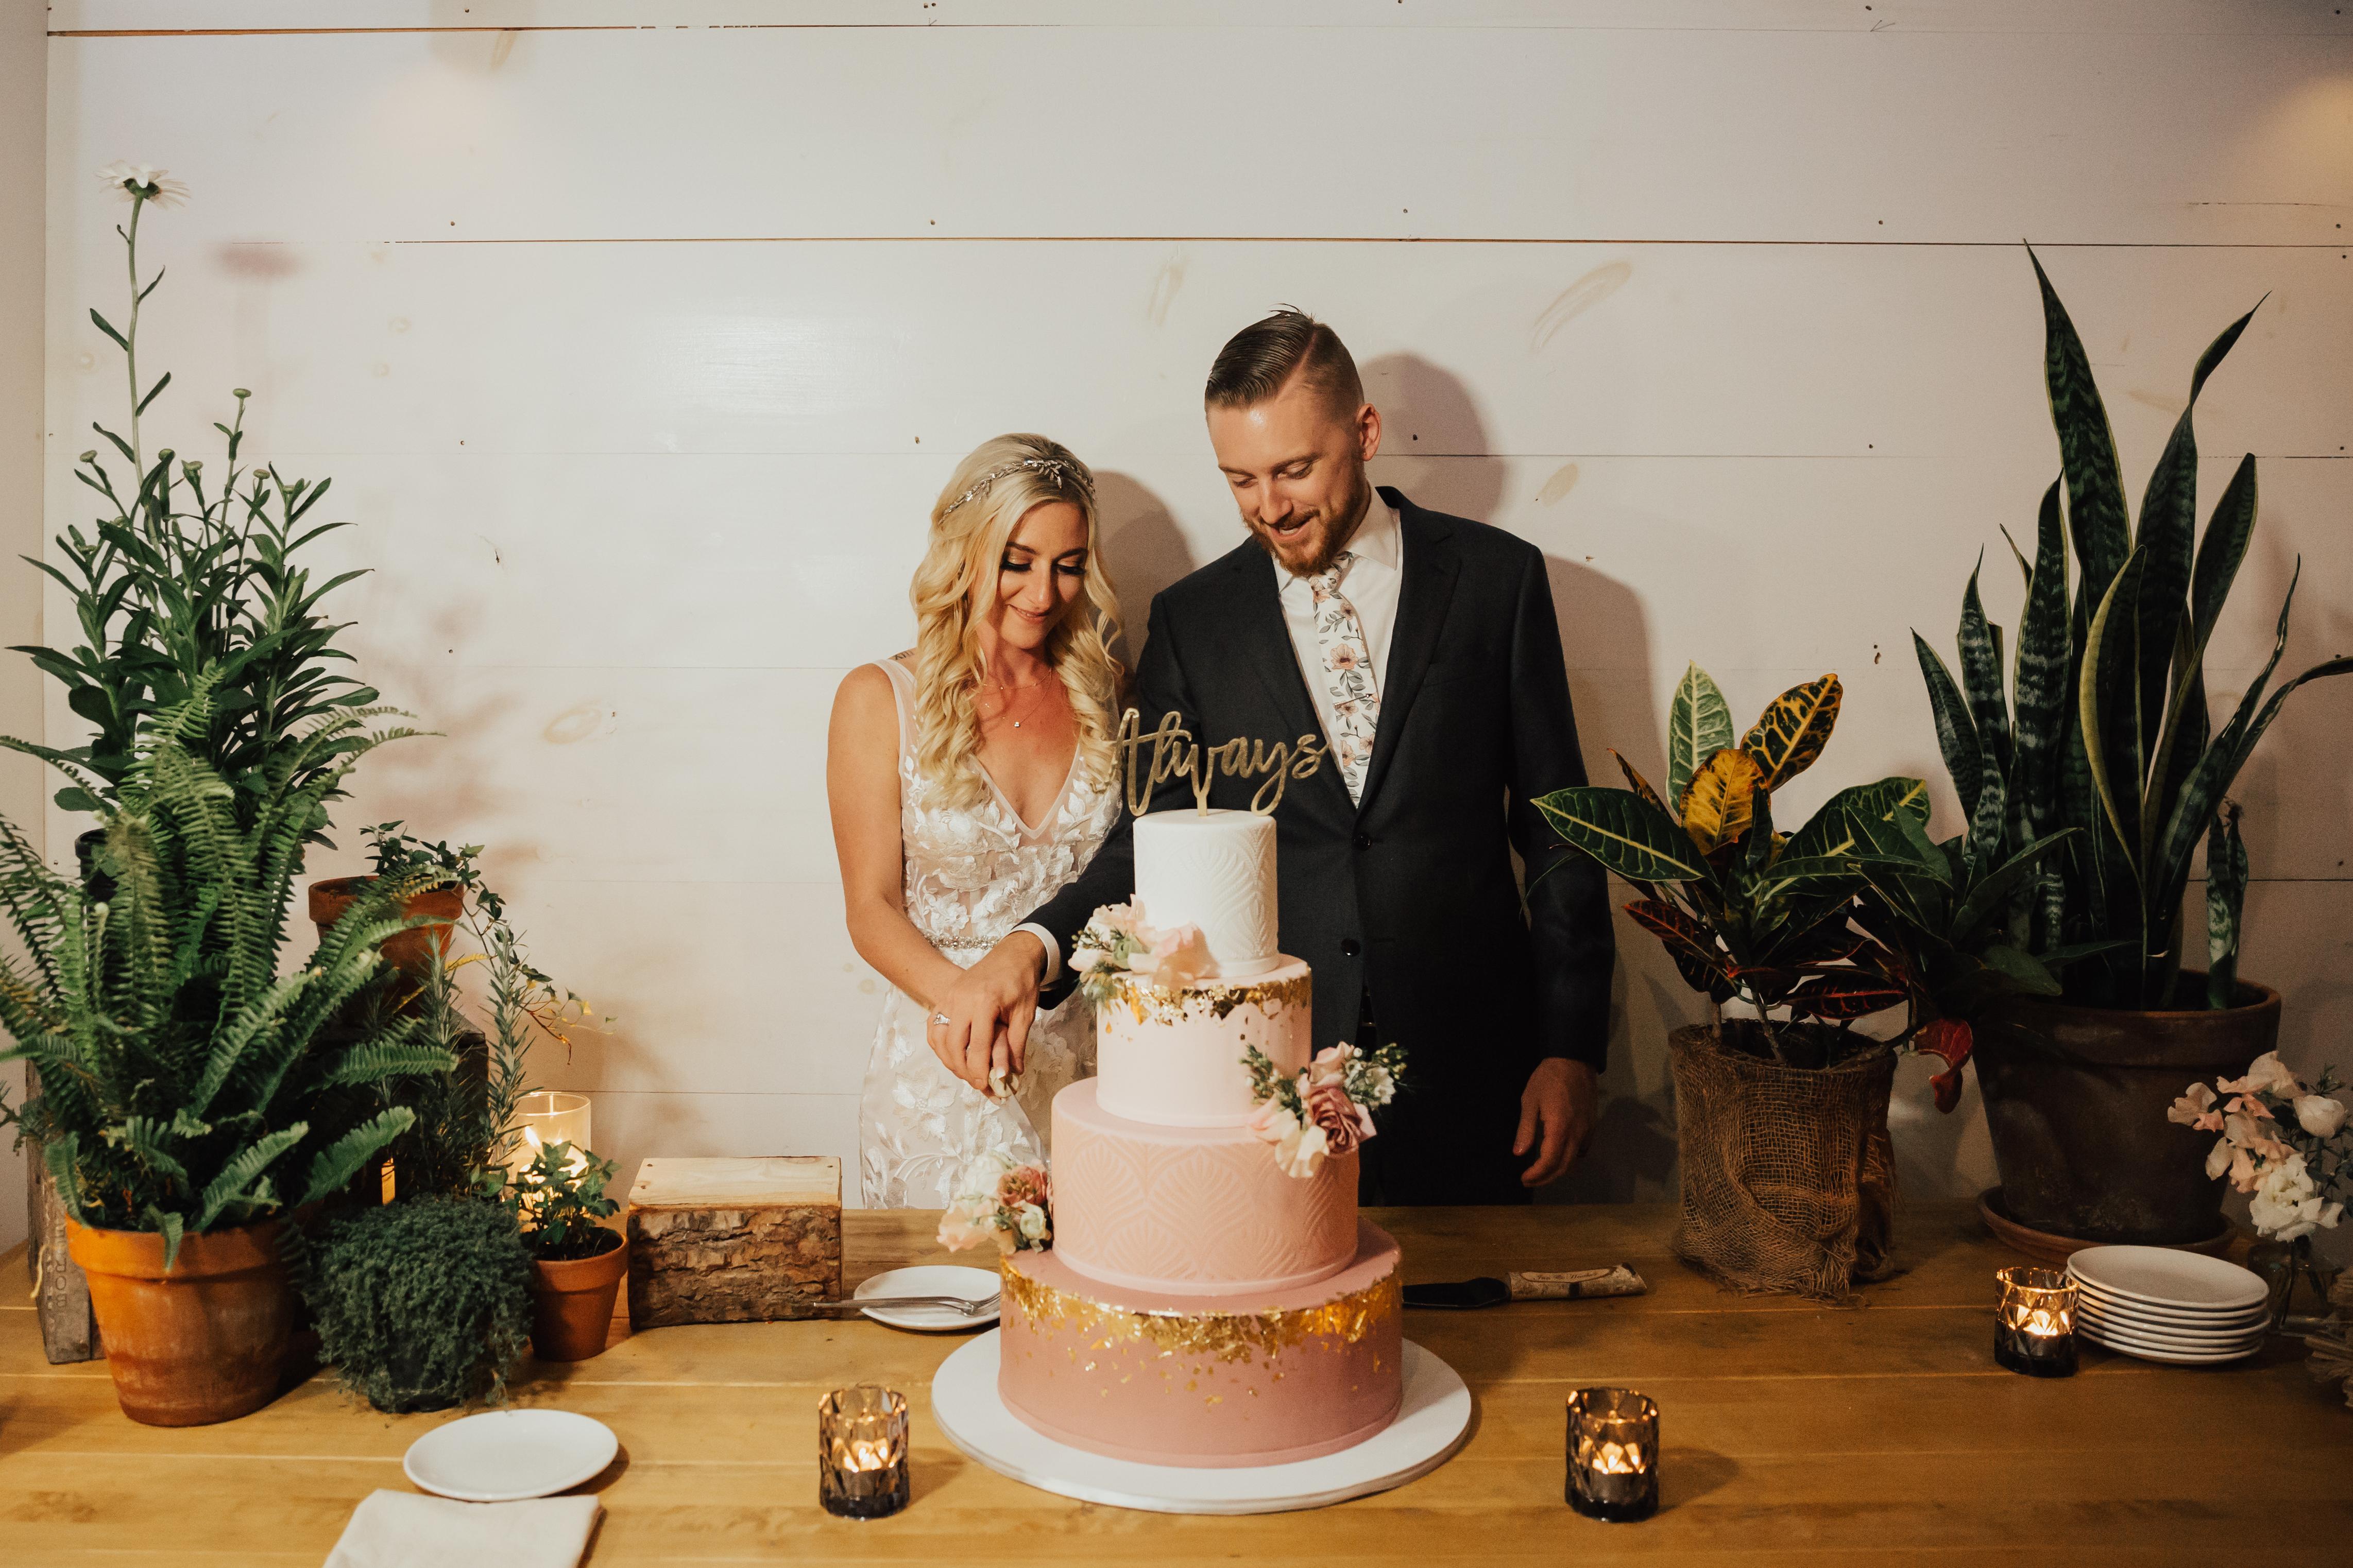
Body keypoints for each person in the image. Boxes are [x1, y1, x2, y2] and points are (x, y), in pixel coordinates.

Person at [929, 311, 1615, 1204]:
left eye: (1295, 470)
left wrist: (1570, 1046)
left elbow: (1563, 827)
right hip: (1264, 1082)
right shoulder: (1194, 621)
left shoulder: (1499, 579)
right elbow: (1148, 841)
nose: (1271, 506)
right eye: (1240, 479)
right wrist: (1031, 949)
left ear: (1365, 432)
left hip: (1475, 1065)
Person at [828, 434, 1126, 1208]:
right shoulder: (878, 698)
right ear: (965, 550)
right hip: (944, 1062)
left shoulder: (1112, 697)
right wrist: (967, 1000)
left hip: (1094, 1065)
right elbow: (870, 908)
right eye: (1018, 562)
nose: (1044, 593)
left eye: (1069, 565)